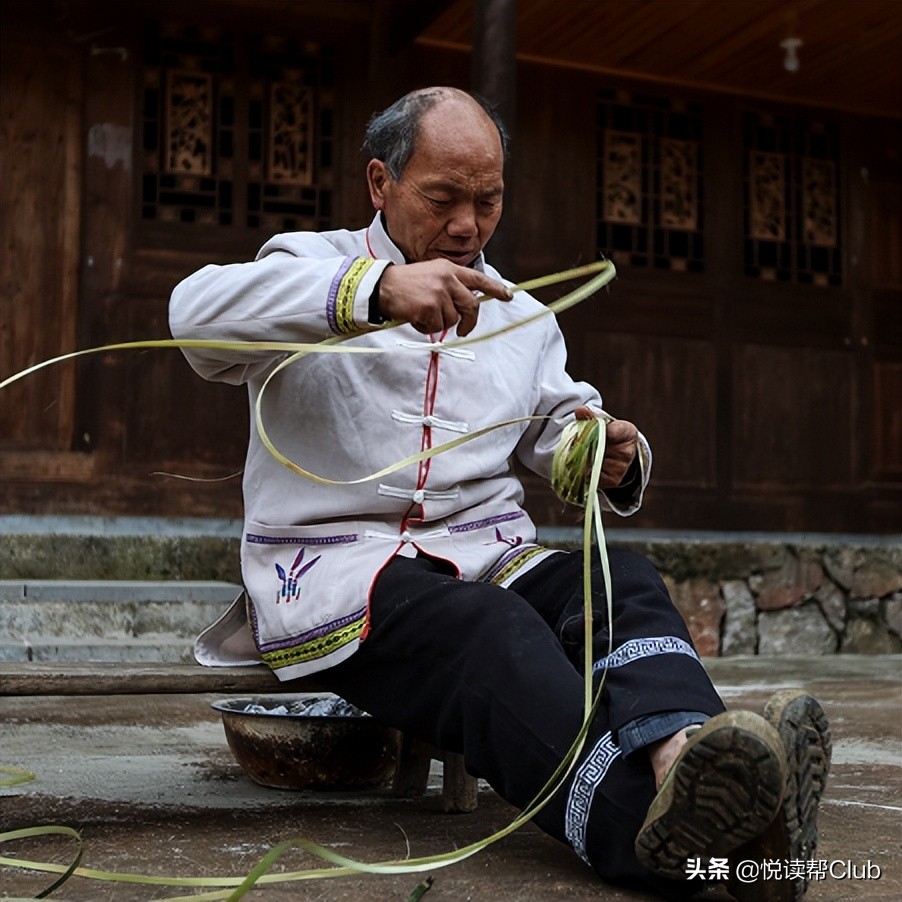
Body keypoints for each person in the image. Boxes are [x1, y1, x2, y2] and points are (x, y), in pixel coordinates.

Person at [170, 87, 831, 900]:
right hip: (334, 572)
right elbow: (190, 314)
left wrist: (604, 452)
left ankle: (686, 760)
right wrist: (375, 290)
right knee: (491, 634)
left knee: (618, 579)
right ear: (381, 184)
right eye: (443, 199)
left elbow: (557, 423)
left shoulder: (521, 312)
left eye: (488, 203)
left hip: (485, 556)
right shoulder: (308, 266)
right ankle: (659, 842)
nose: (467, 226)